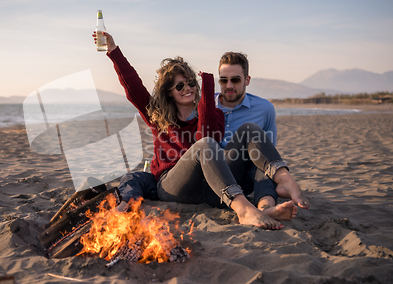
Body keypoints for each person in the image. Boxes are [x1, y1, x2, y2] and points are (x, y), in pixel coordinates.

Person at [95, 31, 294, 229]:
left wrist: (207, 91)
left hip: (212, 189)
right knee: (203, 145)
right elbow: (134, 87)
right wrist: (113, 51)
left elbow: (209, 139)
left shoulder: (213, 112)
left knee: (244, 144)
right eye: (179, 85)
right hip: (174, 187)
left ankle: (265, 207)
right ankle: (244, 209)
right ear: (169, 92)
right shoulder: (159, 117)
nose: (186, 88)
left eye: (190, 82)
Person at [215, 52, 309, 218]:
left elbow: (268, 152)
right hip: (215, 174)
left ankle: (266, 207)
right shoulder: (205, 106)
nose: (229, 85)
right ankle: (284, 179)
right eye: (224, 80)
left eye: (235, 80)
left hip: (244, 178)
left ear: (247, 80)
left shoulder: (264, 108)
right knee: (249, 129)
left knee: (263, 164)